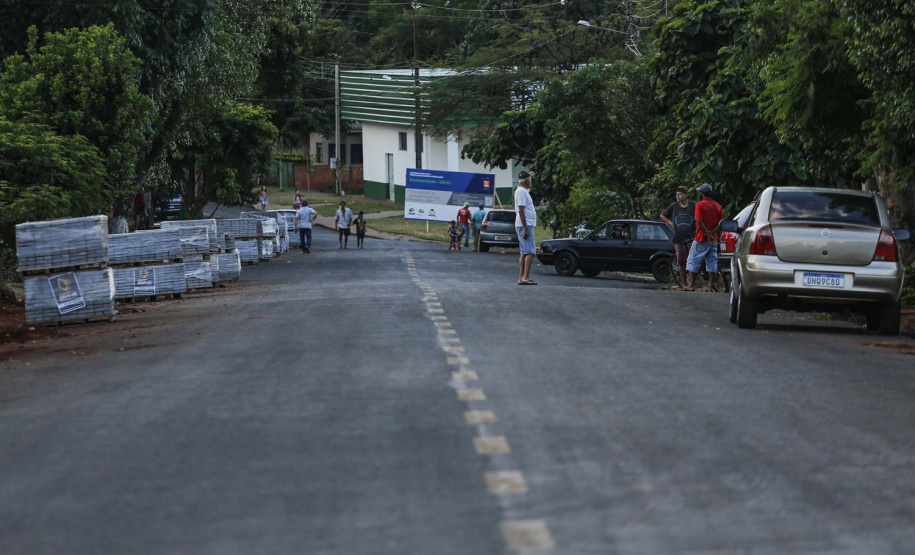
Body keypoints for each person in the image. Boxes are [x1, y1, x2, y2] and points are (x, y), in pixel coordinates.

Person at [685, 183, 723, 292]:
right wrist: (712, 233)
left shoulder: (699, 205)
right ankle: (710, 286)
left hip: (701, 237)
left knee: (693, 260)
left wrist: (707, 233)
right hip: (713, 239)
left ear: (702, 193)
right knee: (712, 261)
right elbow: (720, 223)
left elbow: (699, 222)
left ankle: (691, 285)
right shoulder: (718, 206)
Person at [660, 185, 697, 291]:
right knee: (680, 261)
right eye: (677, 194)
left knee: (692, 260)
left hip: (691, 236)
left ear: (686, 195)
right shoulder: (674, 206)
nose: (678, 196)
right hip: (678, 237)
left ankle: (691, 283)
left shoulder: (693, 205)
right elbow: (662, 215)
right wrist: (670, 223)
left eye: (680, 194)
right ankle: (683, 284)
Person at [514, 170, 537, 285]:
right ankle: (525, 277)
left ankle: (521, 277)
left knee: (524, 252)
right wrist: (525, 228)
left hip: (523, 224)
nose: (531, 182)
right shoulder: (522, 192)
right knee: (530, 252)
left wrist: (529, 175)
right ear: (527, 181)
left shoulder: (522, 190)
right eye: (530, 180)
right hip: (525, 224)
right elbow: (521, 210)